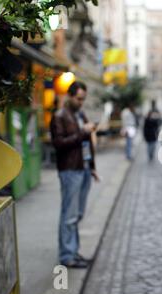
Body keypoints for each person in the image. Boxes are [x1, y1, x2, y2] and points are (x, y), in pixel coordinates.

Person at [50, 81, 100, 269]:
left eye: (83, 99)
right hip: (70, 170)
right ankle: (66, 256)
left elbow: (86, 144)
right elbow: (59, 144)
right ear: (70, 96)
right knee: (69, 215)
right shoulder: (59, 116)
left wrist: (93, 167)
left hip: (84, 168)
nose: (81, 102)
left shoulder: (80, 115)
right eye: (79, 98)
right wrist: (82, 132)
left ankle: (73, 250)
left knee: (77, 214)